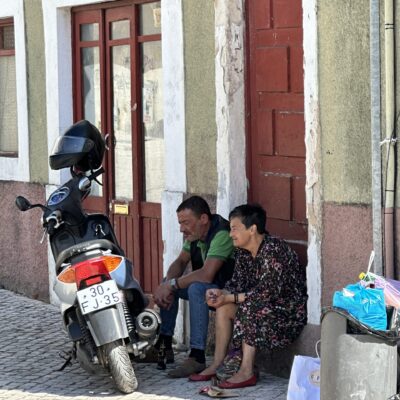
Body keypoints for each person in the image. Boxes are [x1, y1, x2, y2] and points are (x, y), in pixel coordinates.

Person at [189, 203, 307, 389]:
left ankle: (246, 371)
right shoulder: (243, 253)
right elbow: (236, 284)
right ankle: (217, 364)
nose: (230, 234)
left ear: (252, 229)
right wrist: (221, 294)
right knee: (224, 306)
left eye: (234, 229)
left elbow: (266, 294)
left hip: (286, 317)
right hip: (260, 309)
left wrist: (231, 297)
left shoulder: (274, 250)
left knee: (250, 306)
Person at [153, 195, 235, 378]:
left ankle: (197, 356)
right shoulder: (195, 234)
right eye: (180, 223)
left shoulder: (222, 233)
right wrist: (167, 283)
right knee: (170, 282)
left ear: (203, 219)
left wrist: (172, 285)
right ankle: (164, 344)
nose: (182, 229)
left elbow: (206, 274)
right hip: (210, 288)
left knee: (195, 288)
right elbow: (181, 262)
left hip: (228, 290)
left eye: (186, 223)